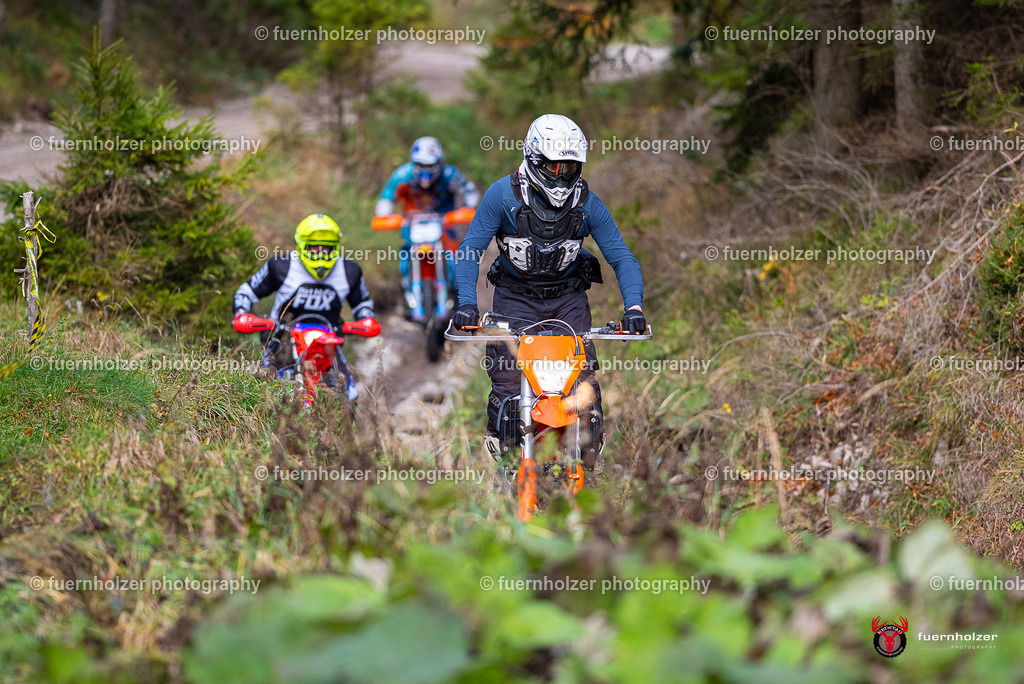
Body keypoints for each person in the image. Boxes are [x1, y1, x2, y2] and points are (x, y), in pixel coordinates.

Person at [452, 114, 647, 468]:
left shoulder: (588, 204)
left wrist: (633, 309)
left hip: (568, 302)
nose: (560, 177)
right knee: (509, 385)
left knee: (583, 391)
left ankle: (588, 467)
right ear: (533, 159)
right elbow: (469, 250)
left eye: (569, 168)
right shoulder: (502, 196)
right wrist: (467, 304)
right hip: (514, 302)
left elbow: (621, 257)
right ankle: (508, 462)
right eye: (553, 167)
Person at [232, 214, 374, 401]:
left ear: (335, 247)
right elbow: (246, 291)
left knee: (349, 393)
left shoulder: (349, 271)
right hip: (282, 341)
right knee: (264, 391)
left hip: (328, 343)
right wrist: (242, 313)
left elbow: (362, 303)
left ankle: (349, 416)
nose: (321, 253)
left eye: (327, 247)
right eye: (315, 247)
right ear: (302, 245)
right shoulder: (280, 266)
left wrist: (365, 319)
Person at [376, 136, 480, 314]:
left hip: (443, 223)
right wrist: (385, 215)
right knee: (405, 257)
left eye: (429, 165)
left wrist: (467, 208)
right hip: (412, 224)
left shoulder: (449, 174)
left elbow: (470, 191)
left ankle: (457, 295)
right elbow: (387, 196)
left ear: (439, 162)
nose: (425, 169)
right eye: (421, 164)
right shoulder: (403, 175)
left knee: (456, 258)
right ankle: (407, 295)